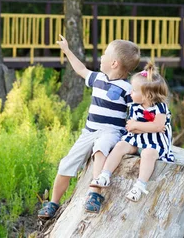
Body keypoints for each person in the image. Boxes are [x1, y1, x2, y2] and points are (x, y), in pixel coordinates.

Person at [38, 35, 140, 219]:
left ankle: (95, 193)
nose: (101, 57)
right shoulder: (97, 78)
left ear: (114, 63)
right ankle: (53, 202)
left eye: (105, 54)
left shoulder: (127, 89)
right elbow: (80, 69)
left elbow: (137, 111)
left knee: (100, 151)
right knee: (67, 163)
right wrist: (67, 50)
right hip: (89, 131)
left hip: (111, 132)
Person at [89, 62, 174, 202]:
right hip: (137, 139)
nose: (130, 93)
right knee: (120, 146)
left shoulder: (160, 107)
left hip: (155, 143)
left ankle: (139, 186)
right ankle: (104, 175)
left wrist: (141, 125)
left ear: (147, 96)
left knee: (148, 153)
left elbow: (158, 127)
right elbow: (130, 127)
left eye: (134, 90)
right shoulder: (134, 106)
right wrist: (146, 126)